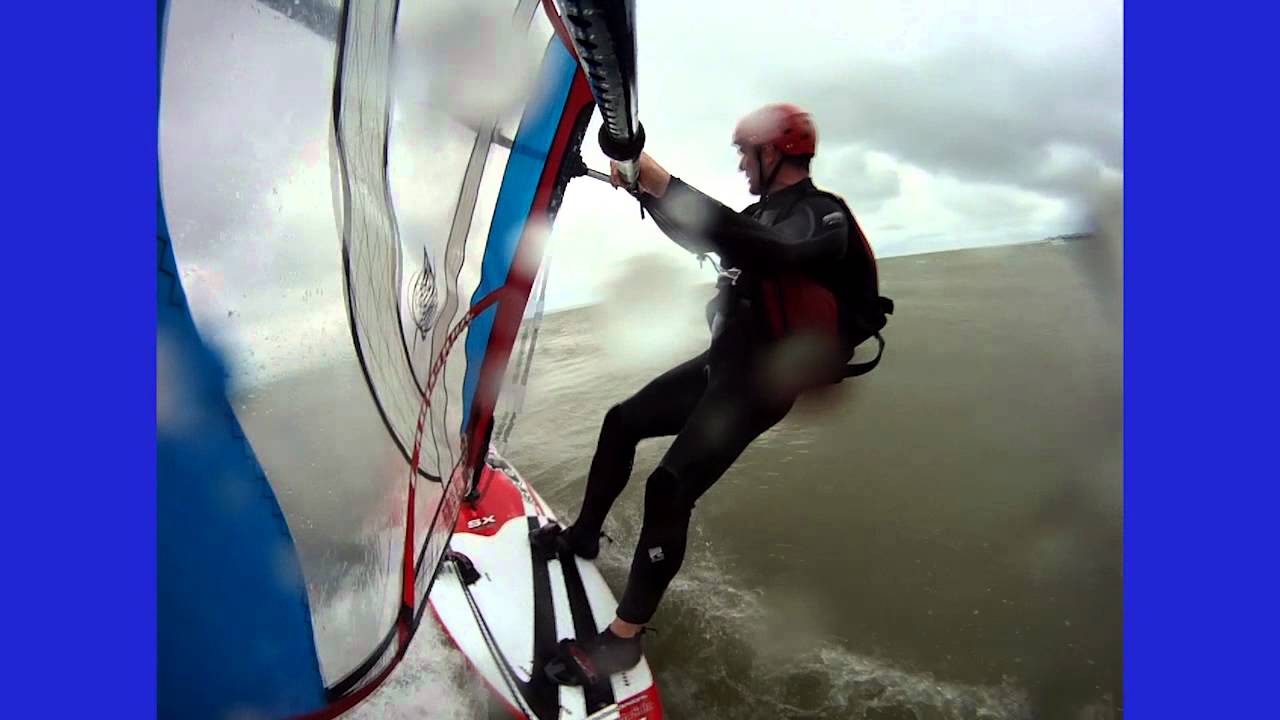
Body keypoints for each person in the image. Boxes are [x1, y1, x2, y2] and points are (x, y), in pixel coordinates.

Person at [532, 103, 892, 686]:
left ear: (772, 151)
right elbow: (711, 233)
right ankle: (582, 536)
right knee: (621, 421)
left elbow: (776, 251)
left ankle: (622, 643)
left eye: (745, 153)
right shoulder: (760, 214)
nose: (741, 165)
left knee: (669, 486)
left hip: (761, 382)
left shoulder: (822, 216)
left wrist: (665, 179)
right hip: (721, 366)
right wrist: (645, 194)